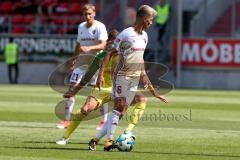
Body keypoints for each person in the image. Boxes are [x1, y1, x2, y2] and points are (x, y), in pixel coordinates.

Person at [94, 5, 160, 151]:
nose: (151, 23)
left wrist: (144, 76)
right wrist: (100, 75)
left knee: (121, 111)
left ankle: (95, 139)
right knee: (120, 105)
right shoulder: (126, 34)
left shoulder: (145, 36)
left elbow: (140, 58)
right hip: (121, 76)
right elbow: (109, 53)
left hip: (134, 78)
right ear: (144, 19)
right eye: (150, 20)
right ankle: (108, 141)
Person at [56, 3, 108, 129]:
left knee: (98, 91)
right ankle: (66, 120)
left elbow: (102, 45)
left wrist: (89, 48)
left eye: (90, 13)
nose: (87, 16)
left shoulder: (100, 26)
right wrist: (73, 59)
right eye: (85, 14)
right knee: (72, 89)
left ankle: (104, 121)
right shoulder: (81, 27)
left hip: (96, 62)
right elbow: (78, 45)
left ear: (94, 13)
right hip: (81, 61)